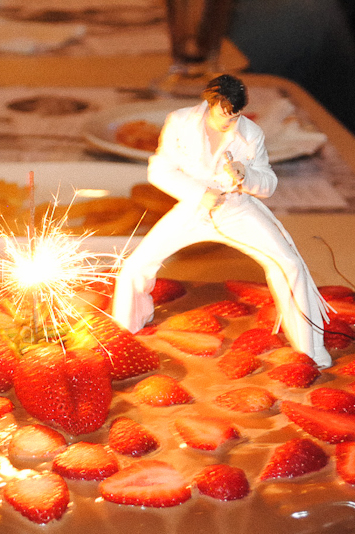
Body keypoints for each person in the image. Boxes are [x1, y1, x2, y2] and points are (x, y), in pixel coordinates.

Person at [111, 74, 332, 368]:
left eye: (235, 116)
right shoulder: (180, 122)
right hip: (193, 209)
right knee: (136, 266)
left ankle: (311, 351)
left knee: (289, 265)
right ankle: (123, 335)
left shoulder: (251, 134)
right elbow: (160, 171)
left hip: (236, 209)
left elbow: (268, 184)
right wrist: (199, 194)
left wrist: (246, 176)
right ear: (209, 103)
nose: (229, 122)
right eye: (223, 114)